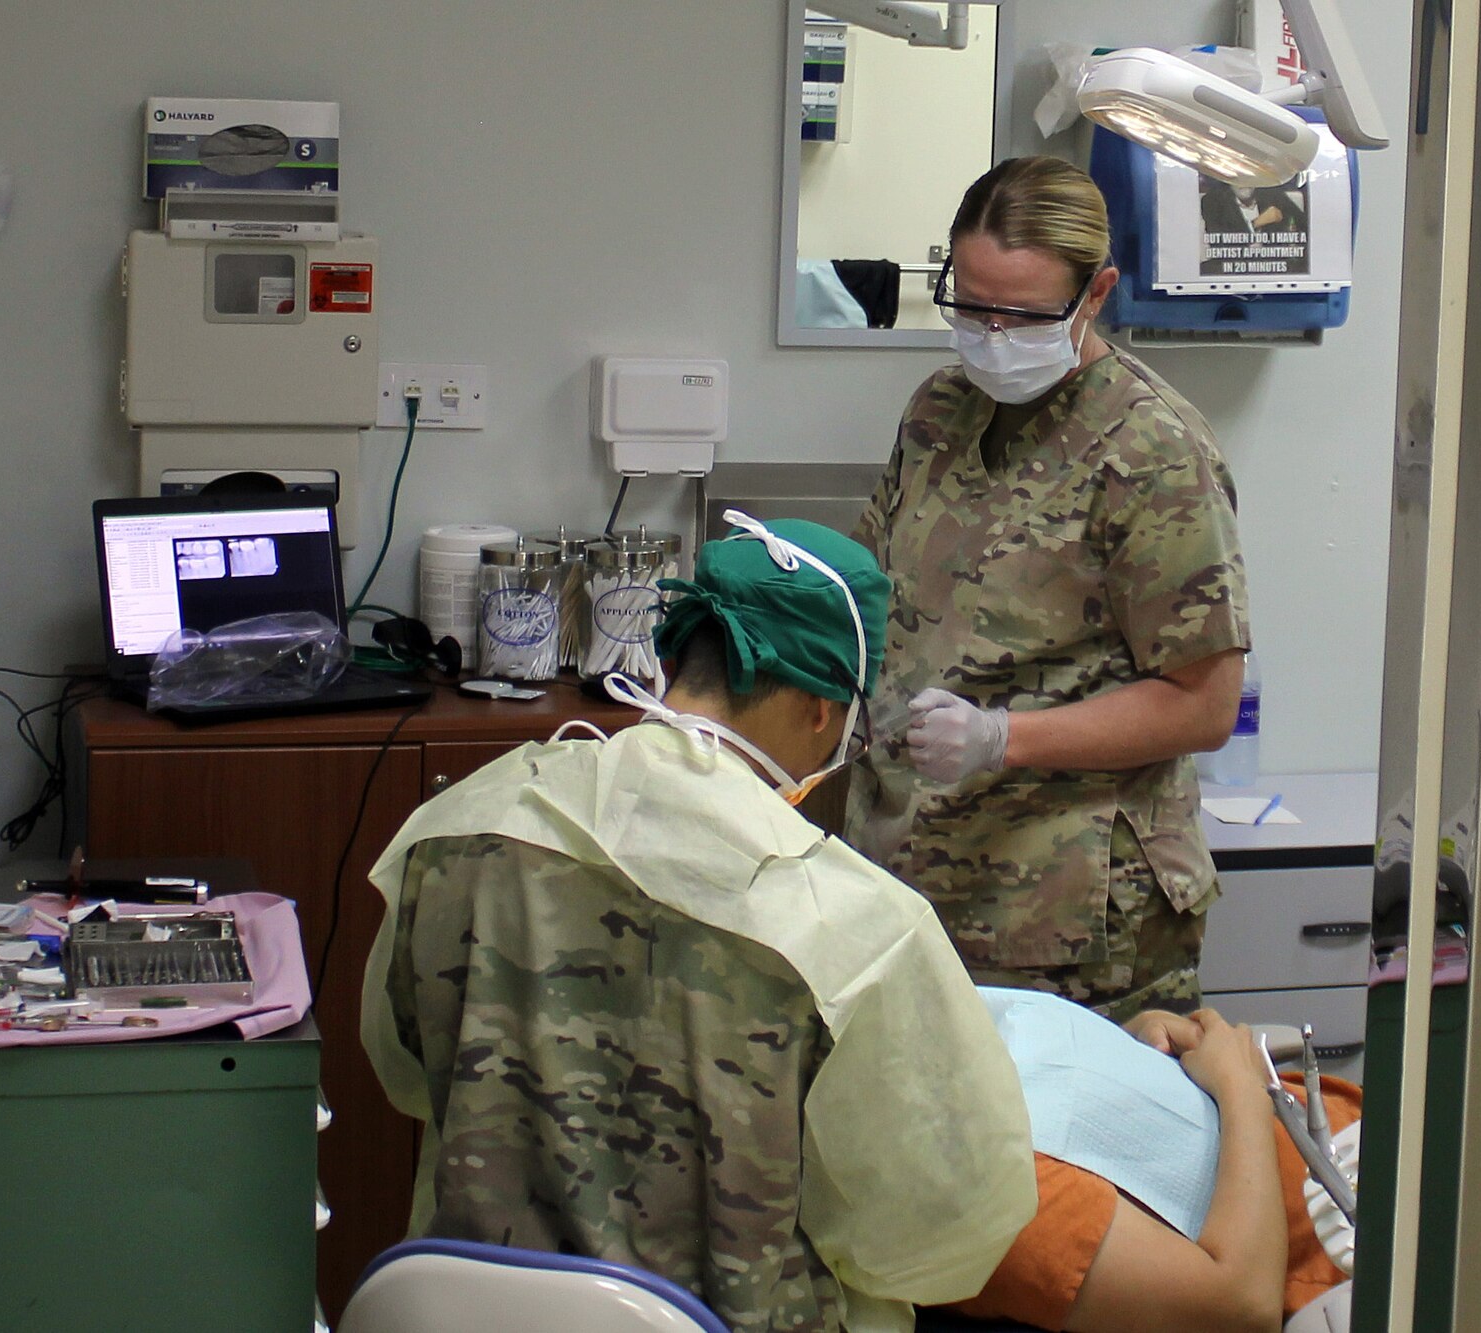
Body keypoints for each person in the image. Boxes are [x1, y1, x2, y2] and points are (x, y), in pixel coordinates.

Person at [360, 513, 1038, 1333]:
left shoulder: (460, 828)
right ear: (827, 711)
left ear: (675, 659)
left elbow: (401, 1067)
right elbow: (945, 1234)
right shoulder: (857, 930)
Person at [849, 155, 1251, 1021]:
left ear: (1096, 292)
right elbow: (873, 592)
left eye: (1023, 314)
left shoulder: (1151, 452)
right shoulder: (940, 412)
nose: (991, 334)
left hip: (1074, 928)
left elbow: (1203, 704)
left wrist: (1003, 738)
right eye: (971, 304)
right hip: (917, 890)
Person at [956, 999, 1361, 1333]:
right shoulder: (985, 1189)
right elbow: (1241, 1307)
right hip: (1350, 1240)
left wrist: (1128, 1043)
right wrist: (1242, 1085)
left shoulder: (950, 1024)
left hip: (1352, 1129)